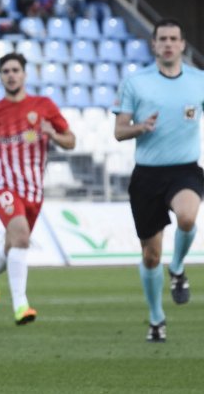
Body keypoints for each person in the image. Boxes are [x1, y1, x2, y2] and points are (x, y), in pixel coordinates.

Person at [113, 19, 204, 342]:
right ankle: (156, 318)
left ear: (182, 45)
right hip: (147, 175)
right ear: (153, 45)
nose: (168, 43)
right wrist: (139, 128)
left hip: (185, 169)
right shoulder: (135, 83)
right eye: (162, 39)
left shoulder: (199, 81)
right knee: (151, 255)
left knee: (188, 216)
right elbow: (119, 130)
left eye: (173, 39)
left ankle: (177, 269)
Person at [0, 53, 74, 327]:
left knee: (14, 243)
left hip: (34, 191)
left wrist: (54, 134)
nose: (11, 75)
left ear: (25, 74)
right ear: (0, 76)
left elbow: (70, 141)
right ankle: (21, 306)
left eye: (15, 70)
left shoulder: (43, 106)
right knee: (22, 237)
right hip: (4, 185)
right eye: (6, 71)